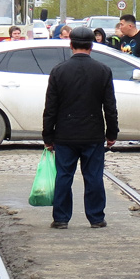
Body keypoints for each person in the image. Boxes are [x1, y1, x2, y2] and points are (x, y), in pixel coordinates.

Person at [42, 26, 118, 230]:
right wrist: (112, 134)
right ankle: (96, 218)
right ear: (92, 46)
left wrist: (48, 136)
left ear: (71, 45)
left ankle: (61, 218)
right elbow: (110, 107)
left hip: (65, 133)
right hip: (93, 133)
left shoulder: (59, 70)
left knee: (64, 176)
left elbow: (51, 108)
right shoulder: (103, 71)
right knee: (93, 176)